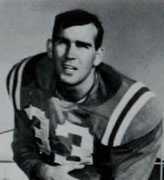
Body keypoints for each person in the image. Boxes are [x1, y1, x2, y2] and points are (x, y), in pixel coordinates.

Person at [6, 9, 163, 180]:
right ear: (50, 48)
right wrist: (41, 170)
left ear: (97, 56)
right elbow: (23, 145)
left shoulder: (134, 111)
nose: (70, 54)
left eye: (82, 45)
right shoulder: (25, 77)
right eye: (63, 42)